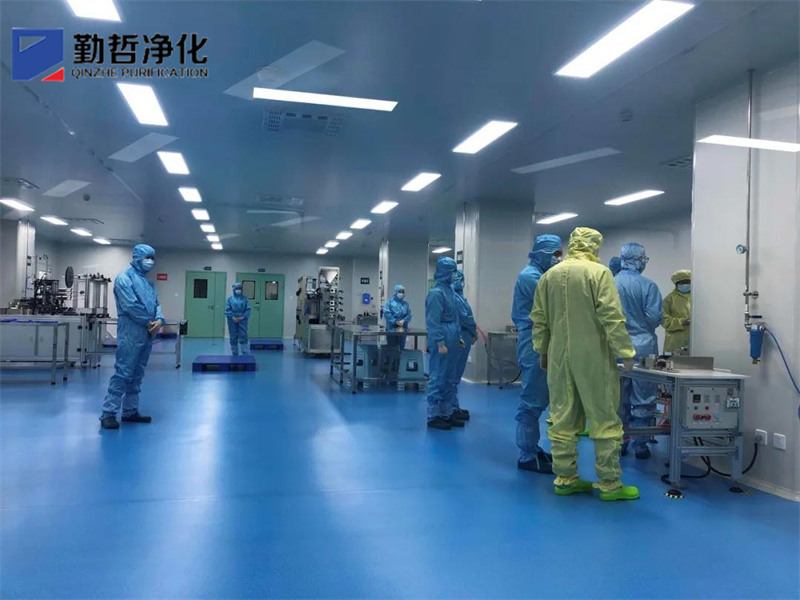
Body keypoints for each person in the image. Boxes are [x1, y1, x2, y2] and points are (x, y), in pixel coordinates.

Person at [532, 227, 639, 501]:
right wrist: (625, 352)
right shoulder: (598, 273)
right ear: (593, 246)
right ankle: (610, 484)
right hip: (593, 355)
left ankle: (565, 479)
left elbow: (540, 319)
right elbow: (611, 315)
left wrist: (542, 351)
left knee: (562, 416)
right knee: (604, 416)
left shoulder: (549, 275)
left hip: (558, 356)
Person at [511, 234, 562, 473]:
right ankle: (527, 455)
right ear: (541, 253)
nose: (558, 259)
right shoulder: (530, 277)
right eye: (554, 254)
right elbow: (555, 301)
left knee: (542, 397)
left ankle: (533, 447)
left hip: (543, 339)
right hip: (533, 340)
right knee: (532, 398)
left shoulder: (542, 275)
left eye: (560, 254)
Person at [100, 244, 164, 430]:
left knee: (138, 373)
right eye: (147, 257)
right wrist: (149, 322)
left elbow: (157, 304)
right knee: (123, 372)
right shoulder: (124, 279)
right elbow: (130, 305)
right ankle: (108, 413)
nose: (150, 262)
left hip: (148, 332)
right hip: (131, 331)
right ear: (137, 258)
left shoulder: (149, 284)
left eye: (152, 258)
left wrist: (159, 319)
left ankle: (130, 411)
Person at [615, 243, 663, 460]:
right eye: (644, 259)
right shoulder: (648, 286)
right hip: (644, 347)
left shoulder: (609, 283)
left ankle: (619, 440)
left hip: (615, 346)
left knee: (618, 397)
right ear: (638, 260)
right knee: (644, 395)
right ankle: (640, 443)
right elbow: (654, 319)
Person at [425, 257, 464, 430]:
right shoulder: (436, 293)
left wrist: (458, 336)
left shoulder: (450, 291)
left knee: (450, 377)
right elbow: (433, 321)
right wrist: (440, 342)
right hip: (442, 337)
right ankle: (433, 415)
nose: (455, 274)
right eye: (452, 271)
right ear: (444, 271)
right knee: (438, 375)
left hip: (453, 336)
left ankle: (447, 412)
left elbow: (455, 317)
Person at [449, 270, 476, 421]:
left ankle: (453, 406)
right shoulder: (454, 297)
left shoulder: (458, 297)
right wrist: (473, 331)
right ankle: (450, 408)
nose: (463, 282)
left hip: (462, 336)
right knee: (453, 374)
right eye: (461, 279)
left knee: (455, 373)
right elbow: (465, 317)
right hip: (459, 337)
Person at [383, 284, 411, 374]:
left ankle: (400, 368)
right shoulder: (389, 303)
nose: (401, 293)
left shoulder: (406, 304)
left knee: (401, 349)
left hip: (403, 329)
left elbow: (409, 315)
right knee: (392, 349)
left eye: (403, 292)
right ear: (395, 292)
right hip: (392, 329)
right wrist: (395, 321)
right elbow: (387, 313)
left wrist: (404, 321)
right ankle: (390, 369)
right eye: (400, 291)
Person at [663, 270, 691, 354]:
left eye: (687, 282)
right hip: (675, 342)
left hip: (694, 341)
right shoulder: (670, 299)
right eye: (682, 283)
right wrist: (682, 322)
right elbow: (664, 320)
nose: (685, 284)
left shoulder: (697, 297)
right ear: (676, 284)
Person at [225, 282, 251, 356]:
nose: (238, 290)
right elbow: (227, 310)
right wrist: (232, 317)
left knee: (243, 335)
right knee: (233, 336)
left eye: (240, 288)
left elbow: (248, 309)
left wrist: (242, 317)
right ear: (234, 289)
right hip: (232, 320)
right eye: (237, 288)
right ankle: (234, 353)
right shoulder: (230, 299)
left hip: (243, 320)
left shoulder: (245, 299)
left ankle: (245, 353)